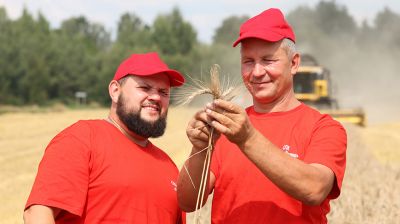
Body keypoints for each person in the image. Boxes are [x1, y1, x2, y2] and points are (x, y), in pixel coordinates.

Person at [177, 8, 347, 223]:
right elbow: (188, 202)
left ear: (294, 63)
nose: (256, 72)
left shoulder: (323, 128)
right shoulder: (227, 126)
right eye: (248, 61)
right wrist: (199, 149)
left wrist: (247, 138)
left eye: (268, 60)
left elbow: (314, 189)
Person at [24, 52, 185, 223]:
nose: (156, 97)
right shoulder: (81, 139)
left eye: (164, 92)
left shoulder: (169, 167)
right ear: (115, 91)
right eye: (145, 88)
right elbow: (38, 214)